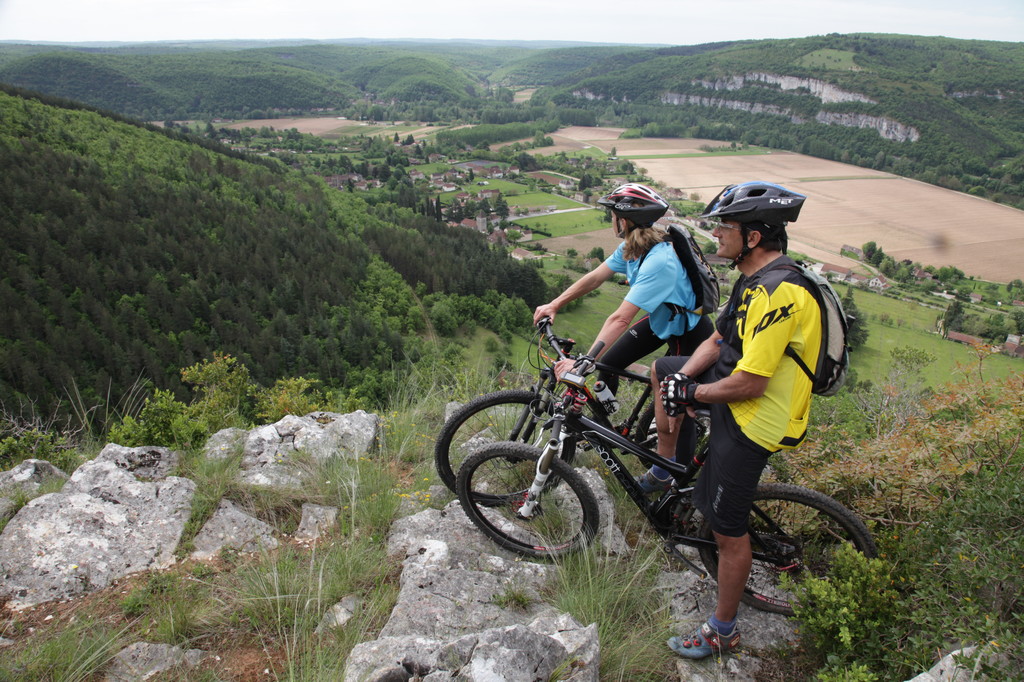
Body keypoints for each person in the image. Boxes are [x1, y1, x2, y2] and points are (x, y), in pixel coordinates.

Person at [652, 181, 819, 659]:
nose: (717, 235)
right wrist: (679, 380)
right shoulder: (753, 279)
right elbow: (719, 341)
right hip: (734, 401)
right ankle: (669, 469)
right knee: (665, 369)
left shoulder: (778, 292)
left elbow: (752, 383)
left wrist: (695, 392)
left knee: (727, 530)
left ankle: (723, 630)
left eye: (725, 226)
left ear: (753, 236)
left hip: (754, 421)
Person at [532, 183, 714, 489]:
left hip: (689, 332)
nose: (610, 220)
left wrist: (584, 361)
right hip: (661, 322)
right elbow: (595, 277)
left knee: (674, 399)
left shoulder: (660, 261)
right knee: (609, 361)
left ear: (624, 220)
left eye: (612, 215)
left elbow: (620, 317)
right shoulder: (633, 248)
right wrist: (555, 303)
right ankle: (612, 423)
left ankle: (669, 477)